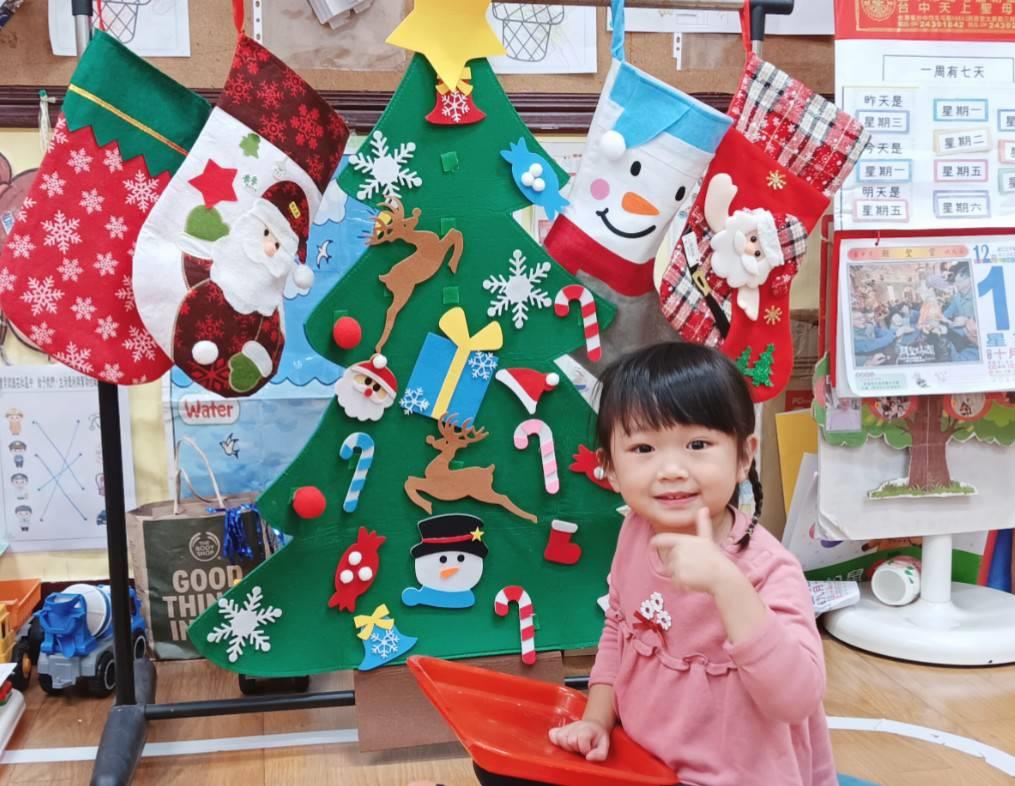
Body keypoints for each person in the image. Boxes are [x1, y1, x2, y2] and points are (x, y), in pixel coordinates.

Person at [548, 342, 836, 786]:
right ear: (610, 469)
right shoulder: (636, 531)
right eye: (643, 448)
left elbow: (796, 700)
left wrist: (727, 584)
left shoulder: (768, 568)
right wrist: (596, 719)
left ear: (743, 457)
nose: (671, 469)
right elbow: (619, 629)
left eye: (697, 444)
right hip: (645, 760)